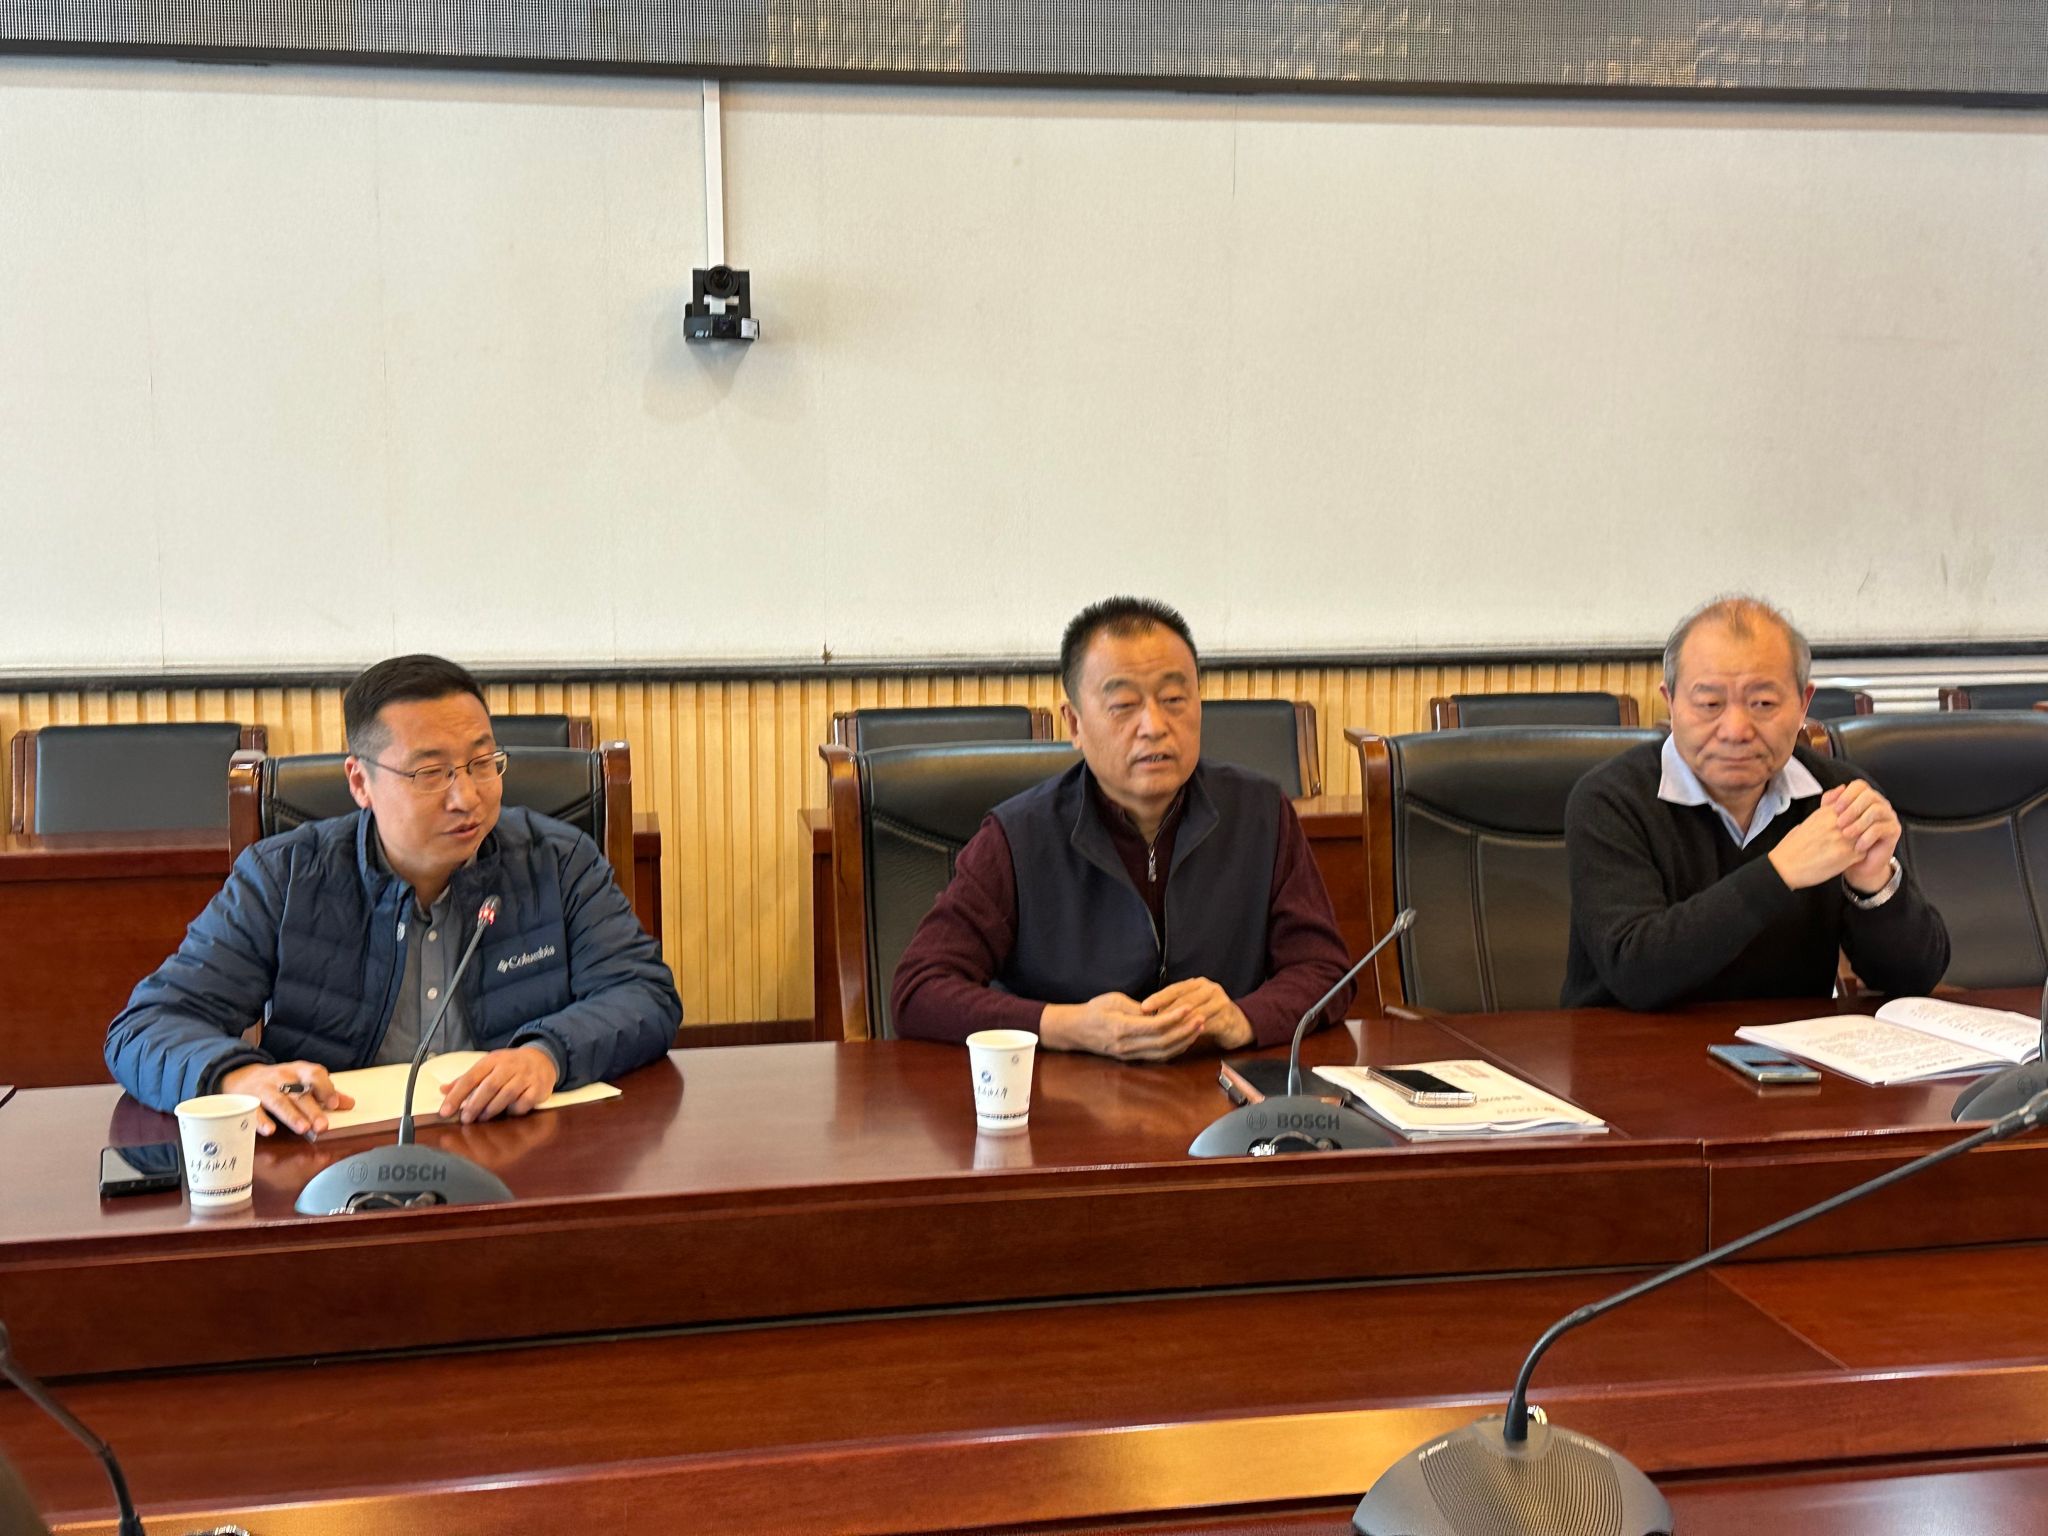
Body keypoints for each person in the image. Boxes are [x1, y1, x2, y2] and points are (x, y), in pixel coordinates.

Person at [105, 655, 682, 1132]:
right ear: (361, 782)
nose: (467, 797)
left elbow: (644, 995)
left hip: (517, 1147)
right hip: (338, 1162)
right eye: (430, 773)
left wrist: (547, 1054)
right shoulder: (283, 877)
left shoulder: (558, 860)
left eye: (482, 763)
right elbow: (145, 1028)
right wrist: (234, 1076)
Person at [891, 597, 1353, 1059]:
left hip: (1217, 1090)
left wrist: (1243, 1018)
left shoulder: (1260, 813)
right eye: (1123, 705)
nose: (1154, 726)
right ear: (1074, 724)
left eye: (1174, 700)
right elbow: (919, 989)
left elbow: (1324, 970)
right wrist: (1066, 1025)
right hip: (1066, 1091)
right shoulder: (1018, 836)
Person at [1563, 595, 1948, 1009]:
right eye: (1710, 704)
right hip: (1628, 1043)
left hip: (1790, 1044)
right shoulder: (1610, 799)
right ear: (1670, 702)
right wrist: (1781, 871)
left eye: (1763, 703)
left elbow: (1913, 979)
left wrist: (1873, 885)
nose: (1735, 729)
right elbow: (1636, 972)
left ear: (1802, 704)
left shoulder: (1837, 795)